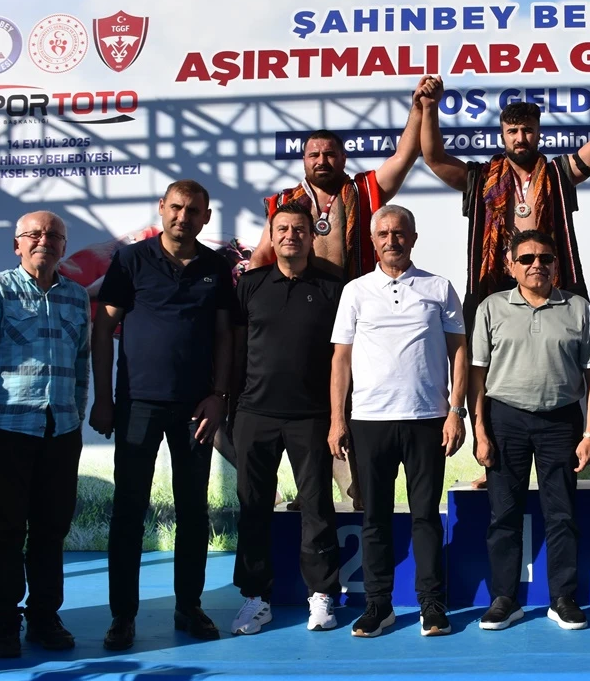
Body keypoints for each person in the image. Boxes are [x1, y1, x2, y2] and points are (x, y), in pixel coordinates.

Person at [247, 81, 429, 510]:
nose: (322, 160)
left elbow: (405, 156)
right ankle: (311, 491)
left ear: (343, 159)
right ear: (304, 160)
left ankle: (360, 489)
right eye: (314, 154)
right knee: (309, 402)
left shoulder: (364, 190)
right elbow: (260, 257)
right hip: (303, 312)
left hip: (359, 312)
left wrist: (419, 107)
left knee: (354, 400)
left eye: (330, 154)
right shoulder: (285, 201)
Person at [90, 180, 236, 650]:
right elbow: (103, 328)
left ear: (205, 218)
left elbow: (225, 337)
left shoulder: (217, 266)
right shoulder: (131, 260)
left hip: (196, 408)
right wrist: (104, 399)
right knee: (129, 510)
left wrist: (219, 395)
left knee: (193, 510)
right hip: (138, 403)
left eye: (193, 211)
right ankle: (123, 615)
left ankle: (189, 606)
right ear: (162, 208)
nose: (183, 217)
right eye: (176, 207)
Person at [328, 205, 467, 638]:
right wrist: (337, 419)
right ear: (373, 241)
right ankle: (379, 606)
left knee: (425, 516)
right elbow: (341, 359)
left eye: (400, 232)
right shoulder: (355, 291)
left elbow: (459, 351)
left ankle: (432, 606)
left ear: (413, 238)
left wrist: (455, 410)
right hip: (370, 421)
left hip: (428, 419)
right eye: (384, 233)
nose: (392, 240)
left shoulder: (438, 287)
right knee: (375, 518)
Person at [0, 211, 89, 657]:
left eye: (53, 235)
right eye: (33, 234)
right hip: (6, 431)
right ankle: (4, 623)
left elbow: (82, 364)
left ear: (64, 246)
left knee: (52, 530)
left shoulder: (76, 297)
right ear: (17, 244)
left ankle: (45, 617)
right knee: (5, 532)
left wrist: (76, 415)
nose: (43, 241)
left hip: (61, 431)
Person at [470, 230, 590, 631]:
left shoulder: (578, 308)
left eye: (545, 258)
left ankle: (563, 598)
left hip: (560, 421)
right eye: (526, 258)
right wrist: (479, 430)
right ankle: (504, 599)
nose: (536, 265)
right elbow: (477, 375)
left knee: (562, 514)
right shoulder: (492, 307)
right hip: (504, 420)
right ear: (510, 265)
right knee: (504, 514)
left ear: (556, 264)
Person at [229, 201, 345, 635]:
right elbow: (235, 348)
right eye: (282, 229)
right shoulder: (250, 284)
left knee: (316, 508)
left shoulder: (333, 287)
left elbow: (342, 357)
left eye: (299, 229)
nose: (290, 236)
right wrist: (229, 403)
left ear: (311, 236)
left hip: (311, 417)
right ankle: (255, 598)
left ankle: (322, 594)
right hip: (254, 413)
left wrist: (338, 415)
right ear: (272, 235)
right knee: (253, 508)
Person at [418, 75, 590, 329]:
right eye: (512, 131)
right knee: (487, 352)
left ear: (538, 134)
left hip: (551, 278)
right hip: (494, 283)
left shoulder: (558, 174)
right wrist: (429, 107)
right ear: (502, 136)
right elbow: (434, 158)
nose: (520, 138)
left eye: (527, 130)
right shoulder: (481, 178)